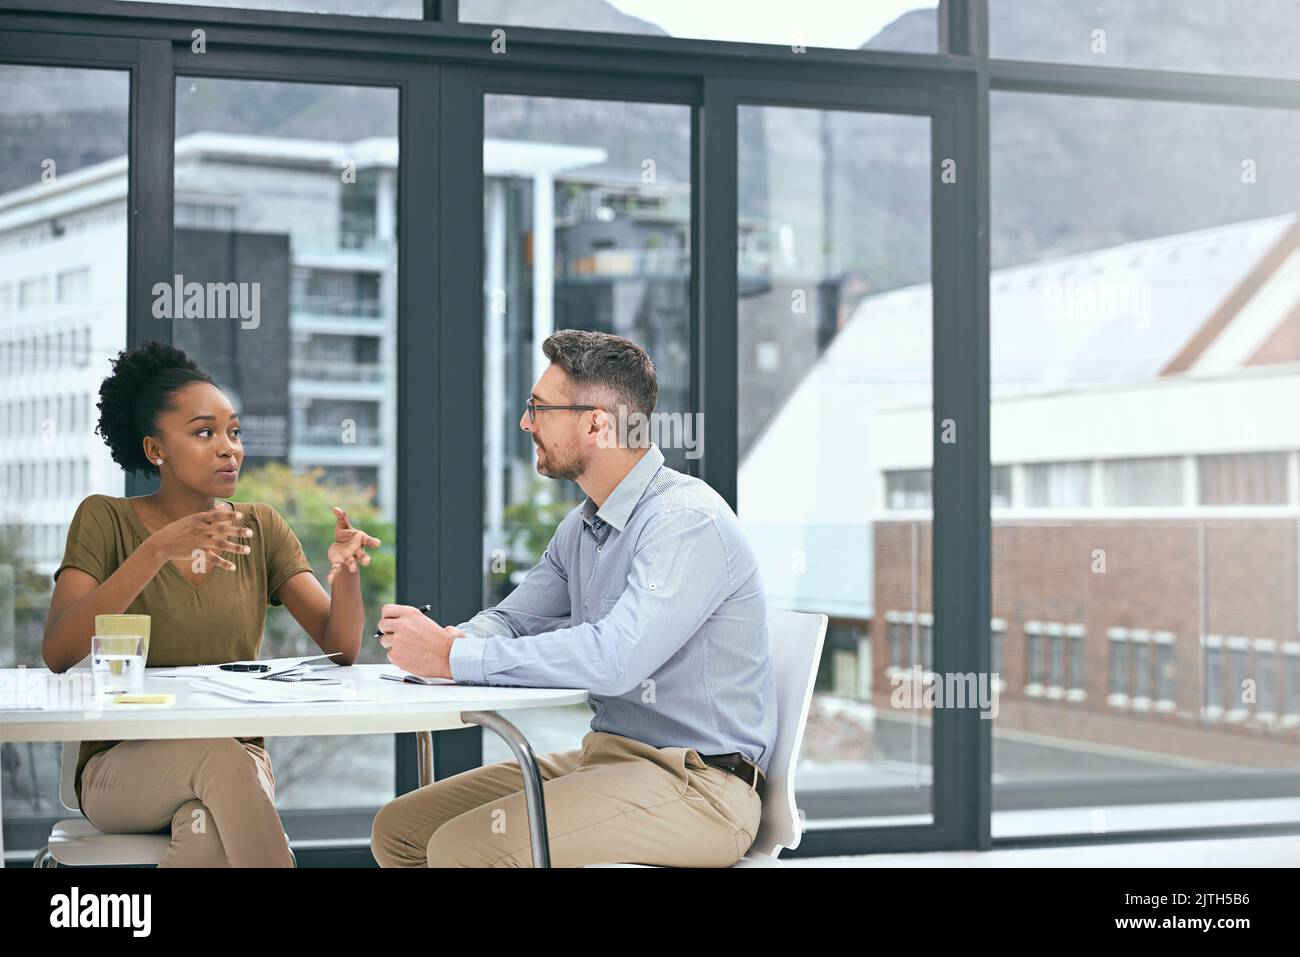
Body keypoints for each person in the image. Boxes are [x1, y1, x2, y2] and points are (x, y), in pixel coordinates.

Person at [371, 329, 776, 868]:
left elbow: (614, 660)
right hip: (607, 759)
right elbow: (513, 619)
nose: (525, 424)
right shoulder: (584, 525)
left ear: (596, 422)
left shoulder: (684, 522)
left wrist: (452, 659)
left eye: (539, 408)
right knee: (401, 829)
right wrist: (455, 641)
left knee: (464, 848)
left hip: (698, 787)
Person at [43, 340, 381, 867]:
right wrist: (157, 549)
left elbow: (341, 650)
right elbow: (59, 651)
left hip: (238, 765)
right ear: (157, 450)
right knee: (219, 760)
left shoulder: (261, 527)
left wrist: (345, 574)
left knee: (202, 836)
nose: (229, 448)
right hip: (122, 769)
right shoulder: (104, 519)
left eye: (233, 431)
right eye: (204, 432)